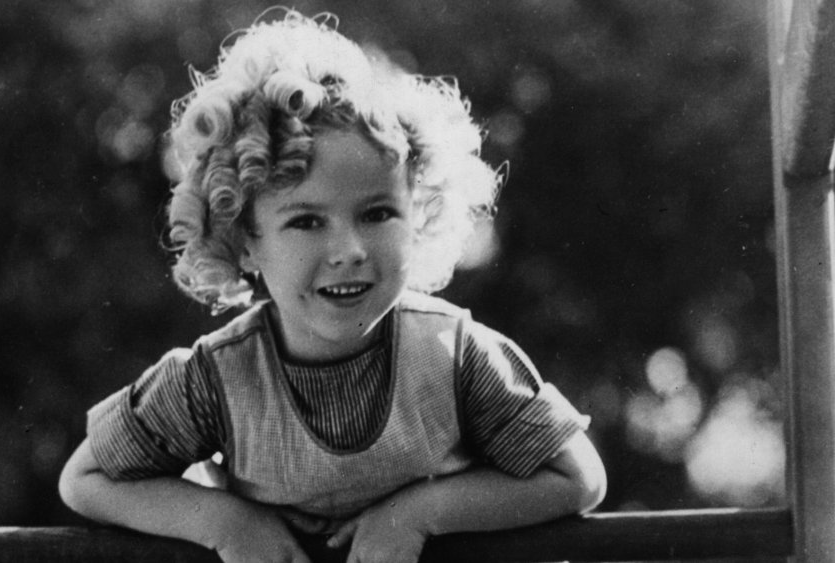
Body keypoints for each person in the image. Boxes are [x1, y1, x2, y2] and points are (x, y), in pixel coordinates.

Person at [59, 9, 606, 563]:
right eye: (306, 221)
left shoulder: (454, 355)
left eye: (377, 213)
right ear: (244, 237)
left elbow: (576, 476)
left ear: (415, 216)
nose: (349, 251)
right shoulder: (214, 378)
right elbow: (86, 477)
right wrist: (225, 523)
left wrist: (419, 515)